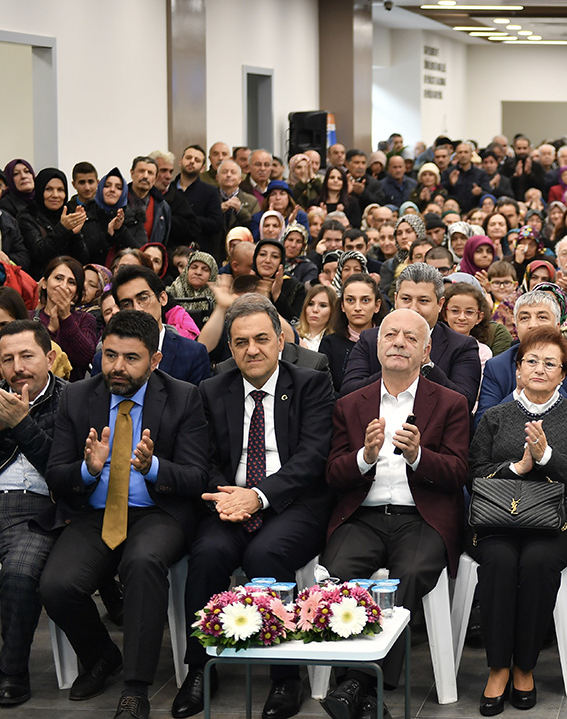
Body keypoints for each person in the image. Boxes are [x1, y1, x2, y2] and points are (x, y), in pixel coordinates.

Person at [171, 296, 335, 719]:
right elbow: (201, 457)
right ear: (230, 347)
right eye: (241, 342)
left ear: (281, 341)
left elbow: (313, 458)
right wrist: (225, 495)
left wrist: (259, 496)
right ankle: (200, 667)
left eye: (262, 339)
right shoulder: (211, 389)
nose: (252, 350)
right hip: (230, 501)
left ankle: (285, 676)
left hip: (294, 504)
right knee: (206, 554)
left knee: (267, 554)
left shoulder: (311, 382)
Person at [40, 310, 208, 719]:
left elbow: (195, 476)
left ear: (155, 361)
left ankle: (136, 688)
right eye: (110, 354)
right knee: (57, 585)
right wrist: (88, 469)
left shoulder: (183, 396)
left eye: (131, 358)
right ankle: (101, 656)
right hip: (94, 514)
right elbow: (57, 476)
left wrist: (151, 467)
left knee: (143, 563)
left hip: (158, 513)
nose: (117, 366)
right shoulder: (79, 397)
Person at [320, 308, 470, 719]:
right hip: (363, 515)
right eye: (390, 335)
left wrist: (420, 455)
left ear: (426, 351)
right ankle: (366, 694)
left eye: (409, 337)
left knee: (412, 574)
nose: (398, 342)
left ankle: (358, 683)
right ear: (377, 346)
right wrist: (364, 457)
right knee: (338, 566)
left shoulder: (451, 403)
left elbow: (458, 472)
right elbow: (333, 474)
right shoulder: (351, 403)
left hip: (422, 517)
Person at [469, 327, 567, 715]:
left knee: (538, 562)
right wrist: (517, 467)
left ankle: (524, 665)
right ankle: (497, 668)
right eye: (531, 361)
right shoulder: (495, 416)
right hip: (498, 516)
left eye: (550, 363)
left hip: (562, 518)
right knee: (500, 562)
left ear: (563, 375)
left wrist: (546, 459)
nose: (540, 369)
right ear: (518, 370)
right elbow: (473, 474)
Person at [0, 320, 66, 707]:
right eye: (7, 359)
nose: (17, 367)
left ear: (50, 357)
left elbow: (62, 471)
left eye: (26, 355)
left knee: (21, 572)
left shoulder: (73, 400)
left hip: (41, 506)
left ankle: (12, 670)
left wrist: (21, 424)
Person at [340, 263, 483, 410]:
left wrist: (427, 366)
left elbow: (464, 403)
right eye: (406, 299)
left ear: (440, 304)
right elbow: (348, 393)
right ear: (395, 300)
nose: (414, 308)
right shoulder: (370, 339)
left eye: (423, 301)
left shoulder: (462, 346)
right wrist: (392, 371)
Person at [477, 291, 567, 417]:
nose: (533, 325)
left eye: (542, 317)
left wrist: (551, 388)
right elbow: (483, 426)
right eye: (524, 318)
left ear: (557, 326)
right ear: (516, 326)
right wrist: (519, 393)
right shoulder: (497, 366)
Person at [96, 266, 211, 385]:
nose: (137, 308)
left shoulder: (192, 354)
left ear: (162, 298)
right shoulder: (104, 360)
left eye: (143, 298)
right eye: (126, 304)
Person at [35, 256, 100, 381]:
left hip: (71, 392)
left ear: (76, 293)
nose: (63, 286)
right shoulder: (29, 317)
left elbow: (84, 358)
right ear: (44, 283)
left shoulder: (86, 319)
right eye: (58, 278)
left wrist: (65, 317)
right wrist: (50, 331)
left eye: (71, 282)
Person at [320, 274, 384, 393]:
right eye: (350, 300)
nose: (357, 307)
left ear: (377, 305)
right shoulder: (329, 343)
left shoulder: (389, 342)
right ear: (342, 306)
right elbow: (325, 392)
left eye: (365, 300)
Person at [19, 168, 88, 278]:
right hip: (41, 282)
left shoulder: (69, 215)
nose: (55, 195)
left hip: (69, 281)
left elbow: (82, 259)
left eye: (60, 190)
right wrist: (63, 228)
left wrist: (75, 234)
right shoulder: (27, 217)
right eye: (49, 189)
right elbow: (39, 253)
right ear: (40, 190)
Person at [296, 283, 337, 352]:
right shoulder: (293, 335)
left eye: (323, 305)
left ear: (333, 310)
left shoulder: (336, 341)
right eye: (310, 304)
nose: (315, 310)